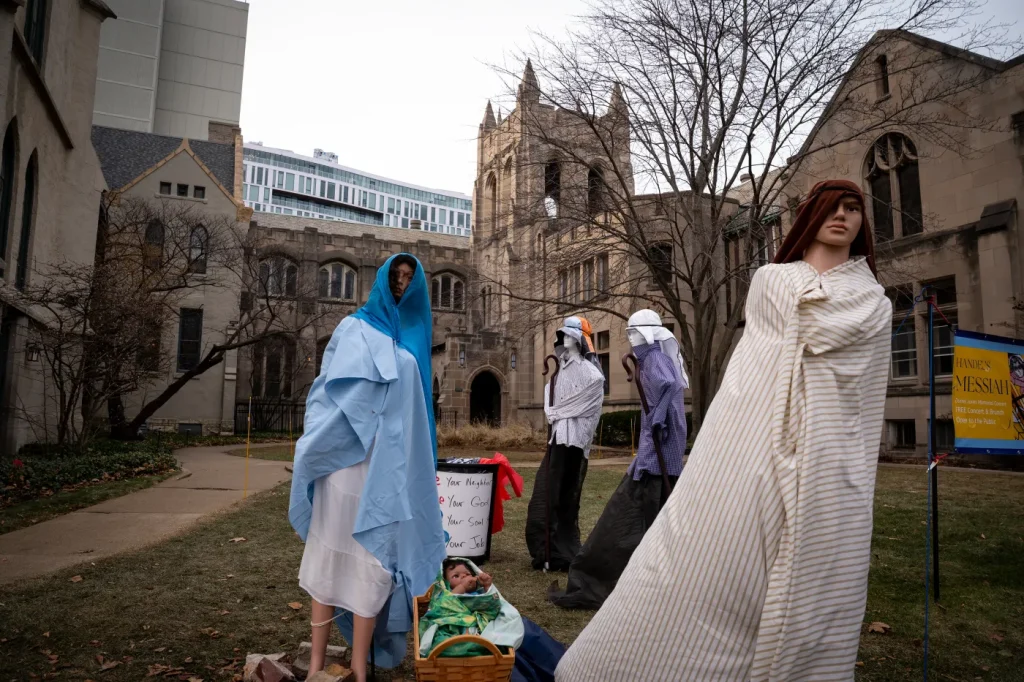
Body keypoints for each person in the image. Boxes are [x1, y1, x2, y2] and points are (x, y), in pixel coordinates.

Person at [556, 180, 892, 681]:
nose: (843, 216)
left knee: (814, 573)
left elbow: (862, 393)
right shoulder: (772, 282)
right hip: (752, 445)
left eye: (853, 208)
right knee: (716, 559)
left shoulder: (874, 303)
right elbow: (753, 373)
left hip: (829, 455)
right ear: (809, 216)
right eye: (831, 207)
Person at [289, 253, 446, 682]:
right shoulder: (352, 328)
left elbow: (417, 421)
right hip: (342, 467)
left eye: (409, 278)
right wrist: (321, 442)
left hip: (384, 473)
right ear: (381, 279)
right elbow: (327, 393)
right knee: (327, 560)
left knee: (371, 565)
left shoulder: (414, 341)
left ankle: (359, 668)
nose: (400, 282)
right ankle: (317, 666)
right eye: (395, 275)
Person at [548, 309, 686, 609]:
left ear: (648, 333)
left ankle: (598, 578)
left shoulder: (653, 359)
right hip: (655, 457)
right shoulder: (650, 360)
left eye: (634, 332)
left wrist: (659, 418)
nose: (629, 338)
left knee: (627, 522)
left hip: (657, 458)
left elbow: (673, 388)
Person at [525, 317, 605, 571]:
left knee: (563, 497)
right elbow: (551, 396)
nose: (563, 339)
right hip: (558, 439)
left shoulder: (589, 372)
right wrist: (554, 412)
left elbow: (590, 397)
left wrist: (557, 413)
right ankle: (544, 549)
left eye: (569, 335)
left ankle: (559, 551)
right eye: (562, 335)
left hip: (572, 443)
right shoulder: (561, 369)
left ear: (580, 339)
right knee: (546, 494)